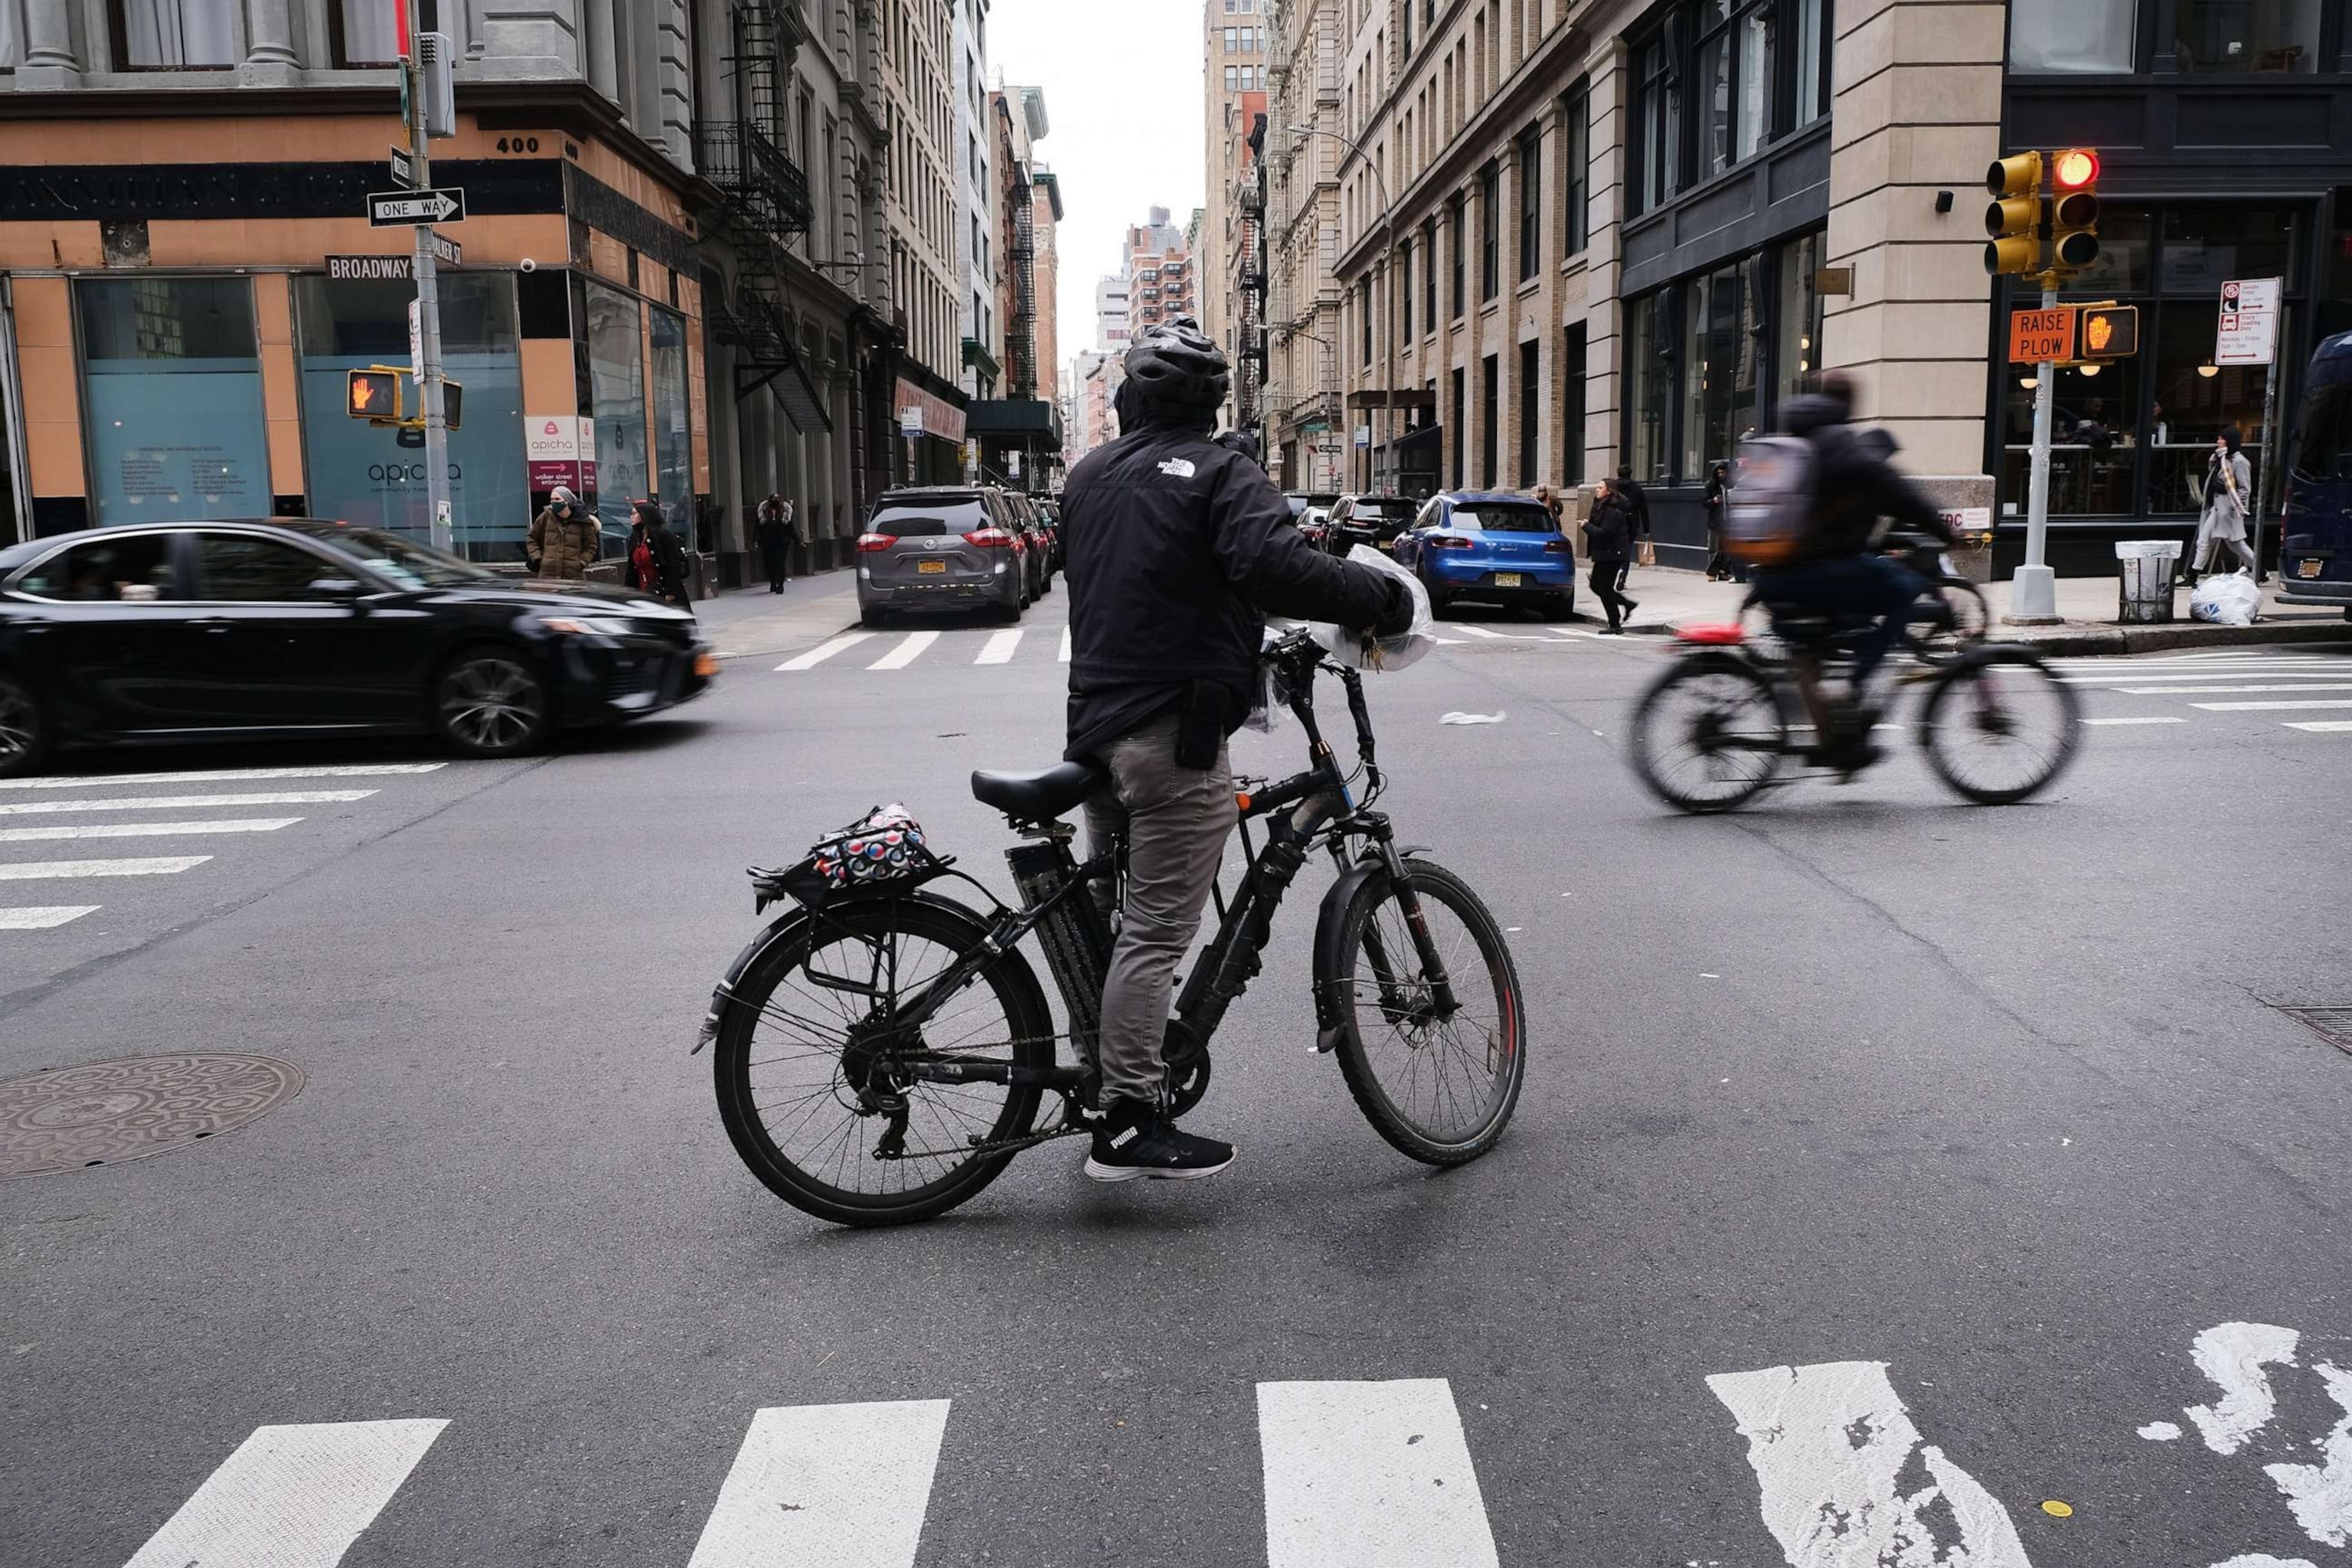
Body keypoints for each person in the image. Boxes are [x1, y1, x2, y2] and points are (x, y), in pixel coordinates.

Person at [1061, 315, 1411, 1183]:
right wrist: (1378, 597)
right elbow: (1276, 566)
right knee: (1153, 929)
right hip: (1168, 734)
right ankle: (1130, 1118)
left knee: (1111, 918)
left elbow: (1148, 579)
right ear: (1215, 403)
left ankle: (1100, 1070)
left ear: (1133, 399)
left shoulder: (1090, 473)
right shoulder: (1222, 471)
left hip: (1094, 729)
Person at [1750, 371, 1949, 768]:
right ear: (1849, 405)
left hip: (1773, 571)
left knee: (1817, 644)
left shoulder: (1796, 441)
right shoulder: (1839, 441)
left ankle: (1838, 744)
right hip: (1812, 570)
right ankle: (1849, 685)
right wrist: (1941, 527)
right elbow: (1894, 490)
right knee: (1904, 590)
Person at [2188, 426, 2256, 580]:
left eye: (2221, 439)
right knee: (2206, 540)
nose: (2218, 442)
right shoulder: (2221, 459)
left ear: (2229, 441)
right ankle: (2194, 574)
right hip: (2216, 507)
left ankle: (2259, 569)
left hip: (2228, 509)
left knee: (2235, 544)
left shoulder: (2239, 461)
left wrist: (2236, 508)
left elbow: (2244, 488)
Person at [1581, 478, 1637, 633]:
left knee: (1604, 589)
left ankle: (1615, 624)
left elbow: (1605, 533)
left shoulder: (1613, 510)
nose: (1597, 490)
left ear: (1609, 490)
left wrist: (1587, 526)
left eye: (1600, 487)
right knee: (1596, 585)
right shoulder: (1602, 506)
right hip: (1604, 553)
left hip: (1612, 554)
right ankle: (1626, 605)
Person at [626, 499, 692, 608]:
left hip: (662, 589)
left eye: (634, 514)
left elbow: (674, 564)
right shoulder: (635, 537)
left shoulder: (664, 536)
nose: (631, 517)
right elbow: (631, 568)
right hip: (642, 591)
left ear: (644, 516)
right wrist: (628, 591)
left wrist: (670, 591)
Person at [527, 486, 597, 580]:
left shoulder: (582, 521)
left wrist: (582, 562)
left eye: (557, 499)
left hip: (573, 575)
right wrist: (538, 558)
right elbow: (531, 538)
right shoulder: (546, 517)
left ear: (567, 501)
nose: (554, 502)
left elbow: (591, 545)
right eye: (552, 500)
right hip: (547, 574)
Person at [1612, 463, 1651, 593]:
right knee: (1627, 550)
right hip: (1631, 523)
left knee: (1614, 549)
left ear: (1618, 474)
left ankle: (1612, 574)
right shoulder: (1637, 489)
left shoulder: (1613, 487)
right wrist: (1647, 530)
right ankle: (1623, 575)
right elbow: (1644, 510)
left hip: (1615, 522)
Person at [756, 495, 795, 593]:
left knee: (780, 564)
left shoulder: (785, 512)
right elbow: (758, 528)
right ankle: (773, 582)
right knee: (769, 564)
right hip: (768, 543)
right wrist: (756, 540)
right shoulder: (764, 511)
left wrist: (798, 541)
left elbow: (790, 528)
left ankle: (780, 585)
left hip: (781, 543)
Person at [1703, 463, 1731, 580]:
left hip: (1728, 521)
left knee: (1726, 549)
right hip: (1715, 521)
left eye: (1723, 473)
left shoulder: (1730, 485)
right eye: (1719, 473)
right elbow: (1704, 503)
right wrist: (1713, 501)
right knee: (1713, 548)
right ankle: (1712, 573)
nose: (1721, 475)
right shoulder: (1710, 485)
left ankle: (1724, 571)